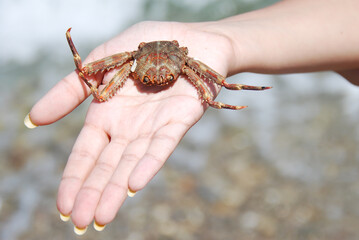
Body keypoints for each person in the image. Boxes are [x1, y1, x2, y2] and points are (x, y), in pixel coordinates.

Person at [24, 0, 359, 234]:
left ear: (182, 59)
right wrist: (227, 41)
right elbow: (89, 74)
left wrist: (225, 86)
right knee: (98, 89)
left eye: (164, 74)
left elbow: (221, 81)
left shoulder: (184, 61)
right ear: (137, 63)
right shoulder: (129, 61)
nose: (155, 79)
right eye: (148, 75)